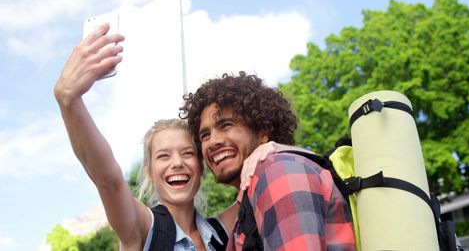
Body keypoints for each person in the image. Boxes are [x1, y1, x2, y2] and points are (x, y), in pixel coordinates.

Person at [53, 23, 239, 251]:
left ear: (200, 166)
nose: (177, 163)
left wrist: (265, 150)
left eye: (188, 153)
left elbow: (271, 171)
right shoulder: (143, 227)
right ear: (149, 171)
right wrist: (69, 101)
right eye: (163, 156)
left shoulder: (223, 232)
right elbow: (109, 181)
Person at [180, 71, 356, 250]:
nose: (213, 141)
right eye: (205, 135)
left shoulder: (276, 171)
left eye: (226, 125)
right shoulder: (251, 197)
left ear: (263, 130)